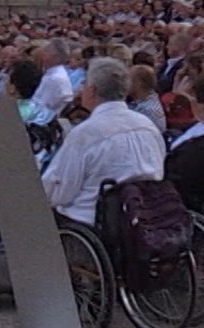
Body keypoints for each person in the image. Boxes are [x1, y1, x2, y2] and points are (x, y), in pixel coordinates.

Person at [38, 58, 166, 226]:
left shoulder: (86, 133)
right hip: (143, 215)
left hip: (92, 222)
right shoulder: (147, 126)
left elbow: (59, 191)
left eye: (83, 84)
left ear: (91, 91)